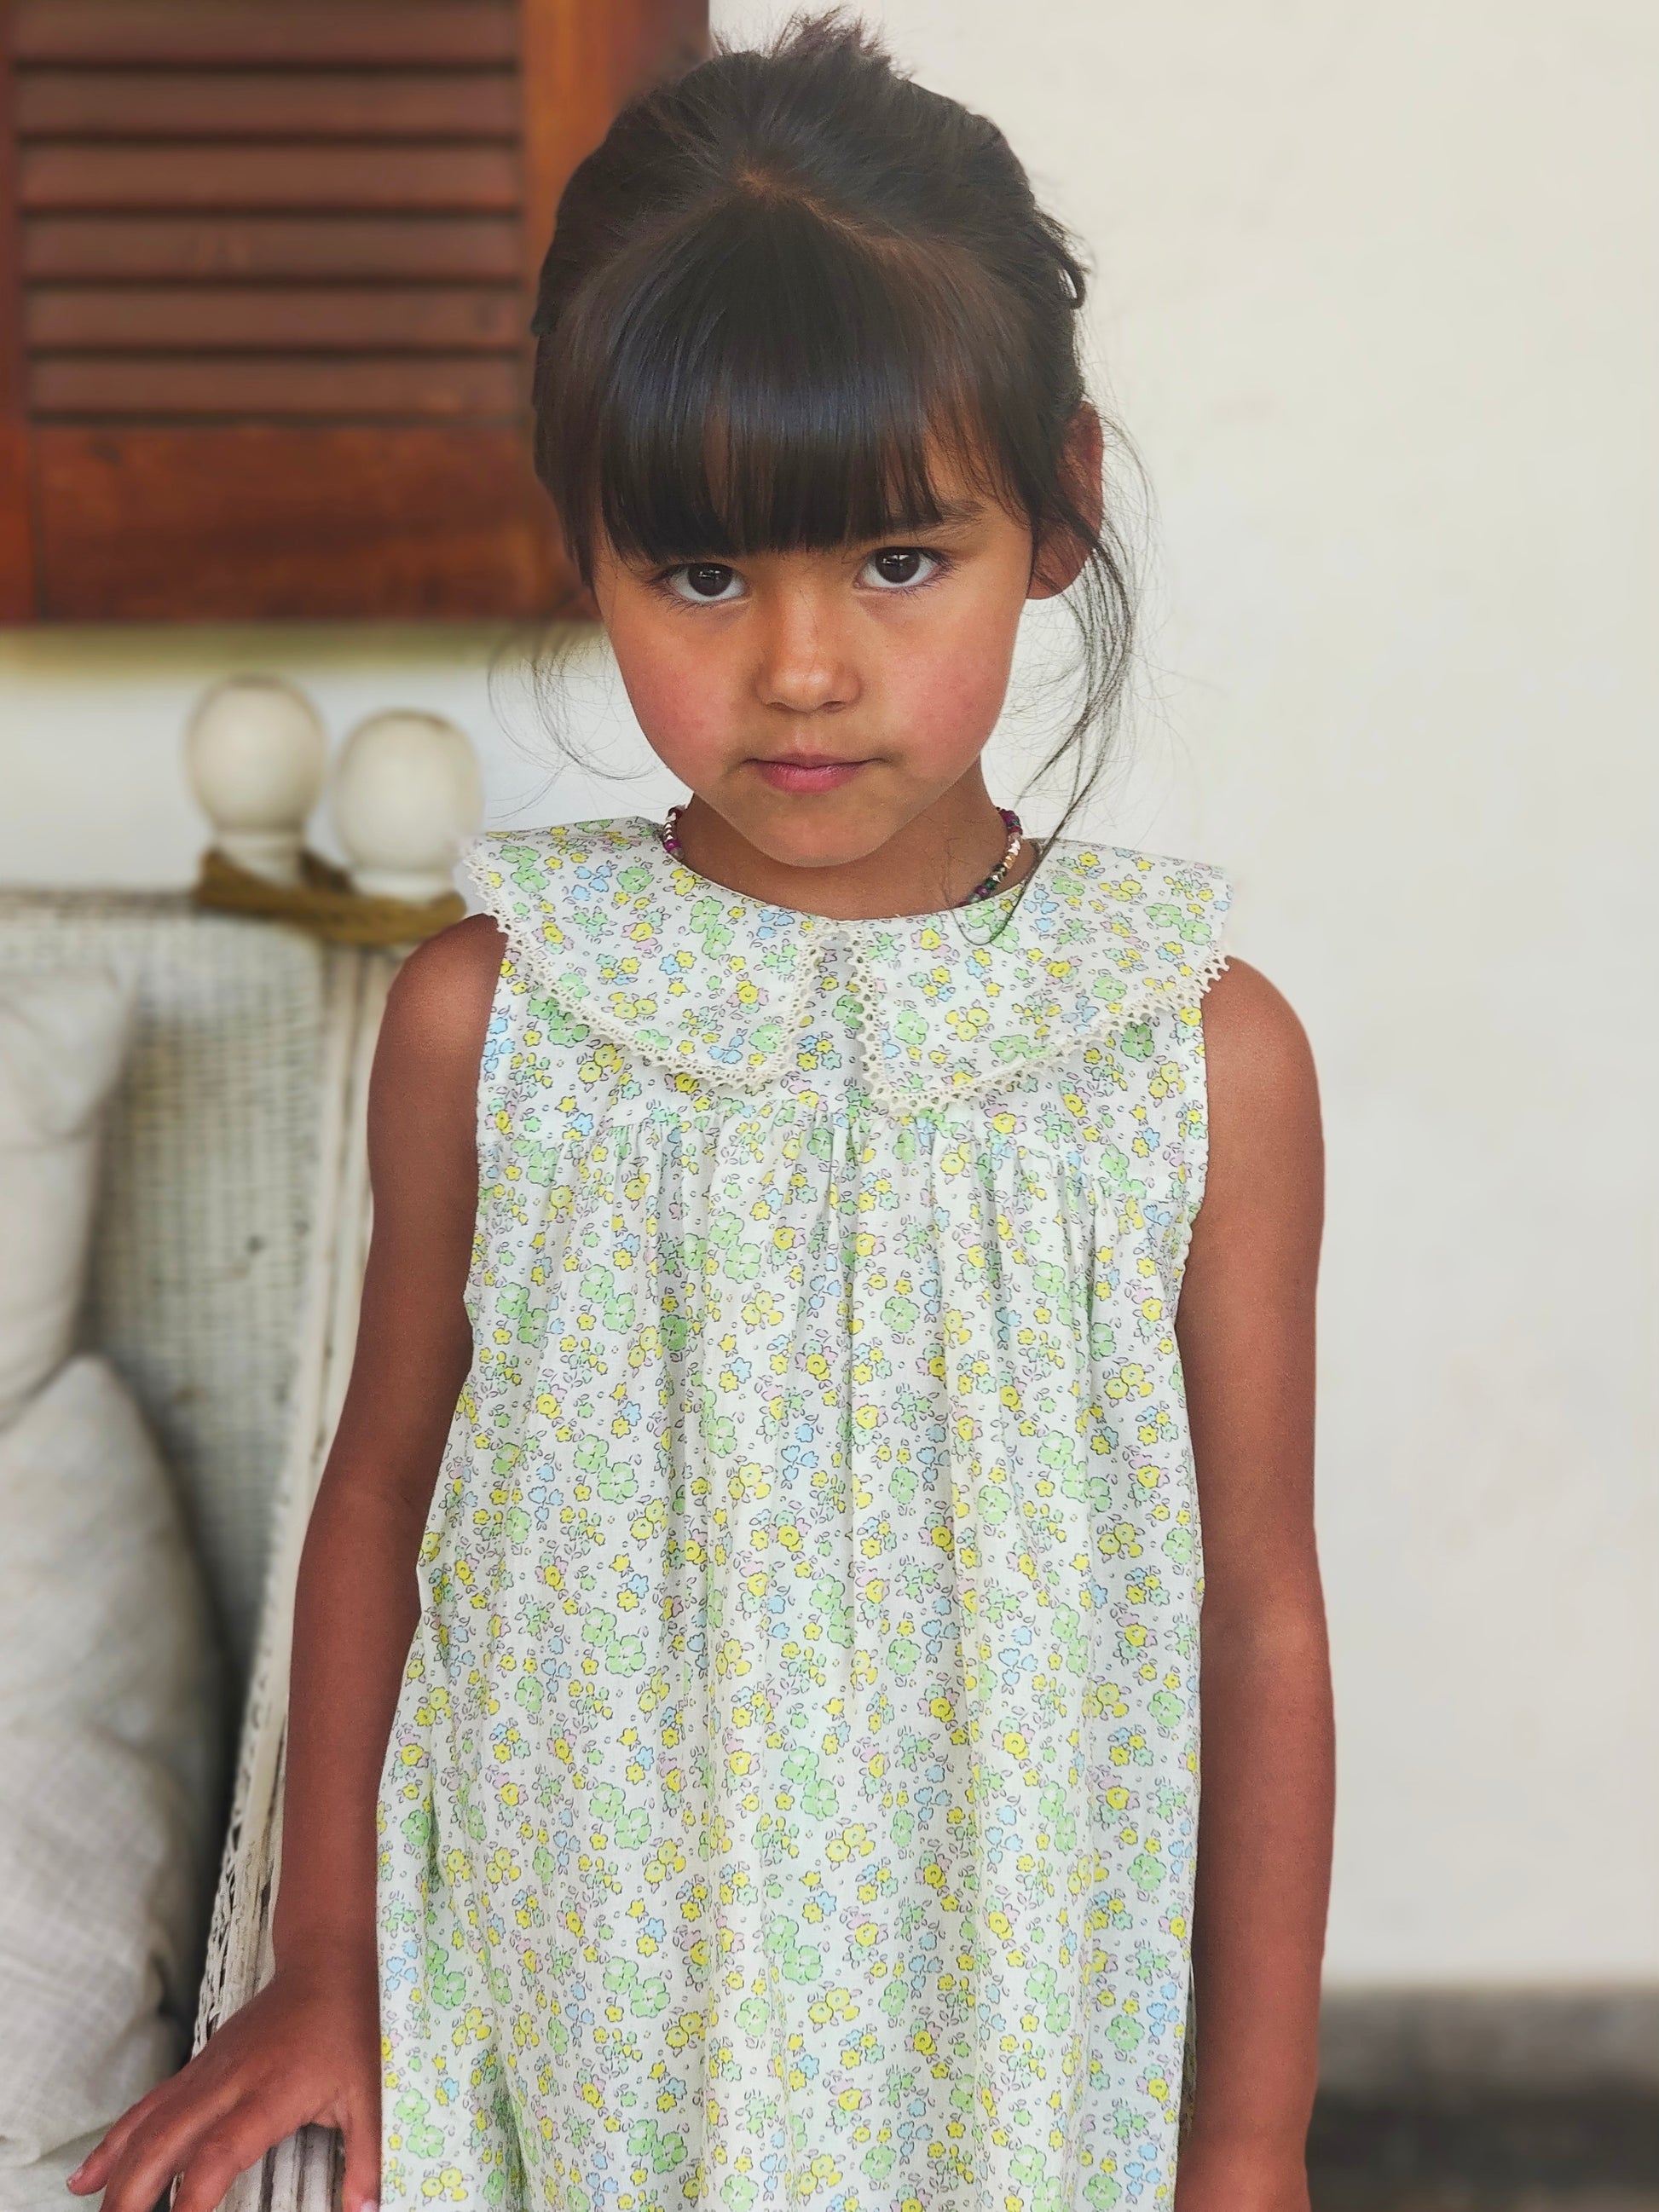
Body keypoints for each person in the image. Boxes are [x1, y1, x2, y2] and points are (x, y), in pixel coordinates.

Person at [71, 19, 1331, 2212]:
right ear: (587, 541)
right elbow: (380, 1488)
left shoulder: (1187, 1053)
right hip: (583, 2012)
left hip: (1010, 2035)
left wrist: (1247, 2139)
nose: (802, 668)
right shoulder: (500, 1014)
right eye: (705, 573)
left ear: (1057, 512)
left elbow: (1258, 1615)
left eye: (897, 560)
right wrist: (326, 1955)